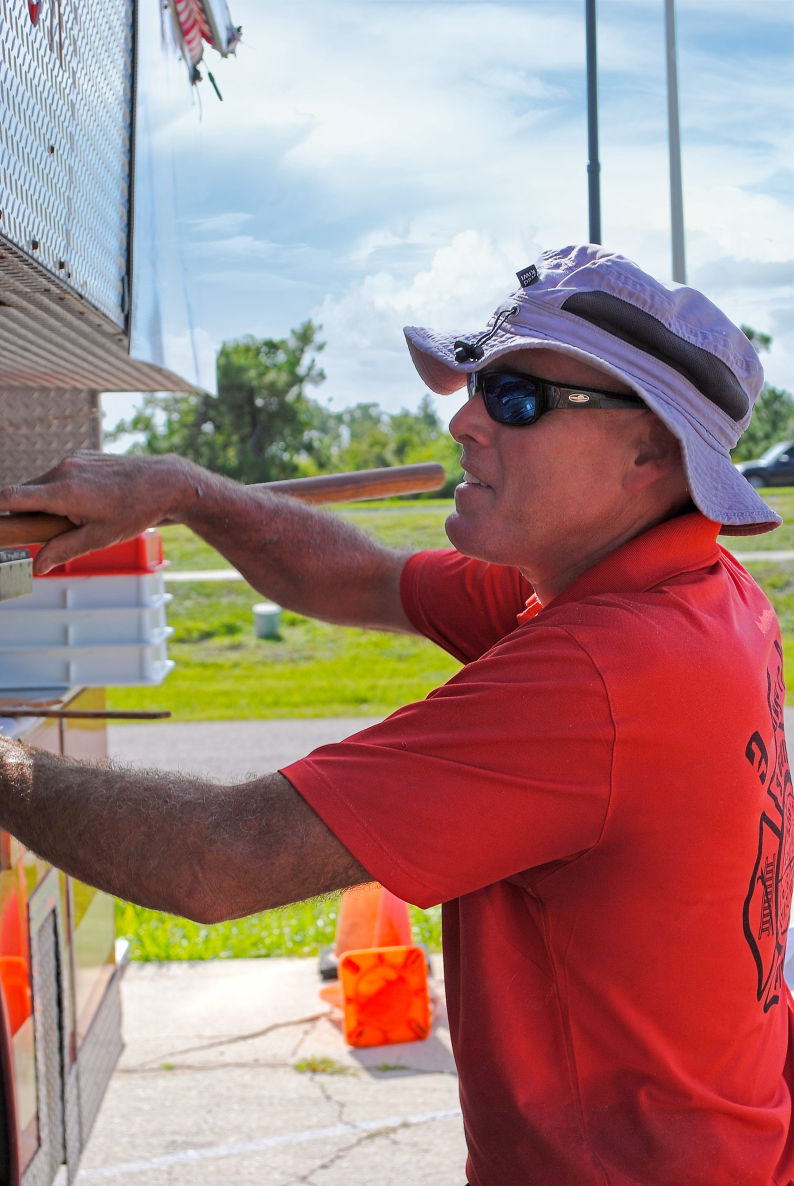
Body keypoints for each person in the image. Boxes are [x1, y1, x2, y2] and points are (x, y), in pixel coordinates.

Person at [0, 242, 792, 1185]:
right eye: (478, 385)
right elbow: (363, 578)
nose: (463, 420)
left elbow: (219, 860)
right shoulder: (691, 591)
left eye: (517, 399)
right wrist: (185, 489)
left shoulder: (608, 673)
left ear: (649, 453)